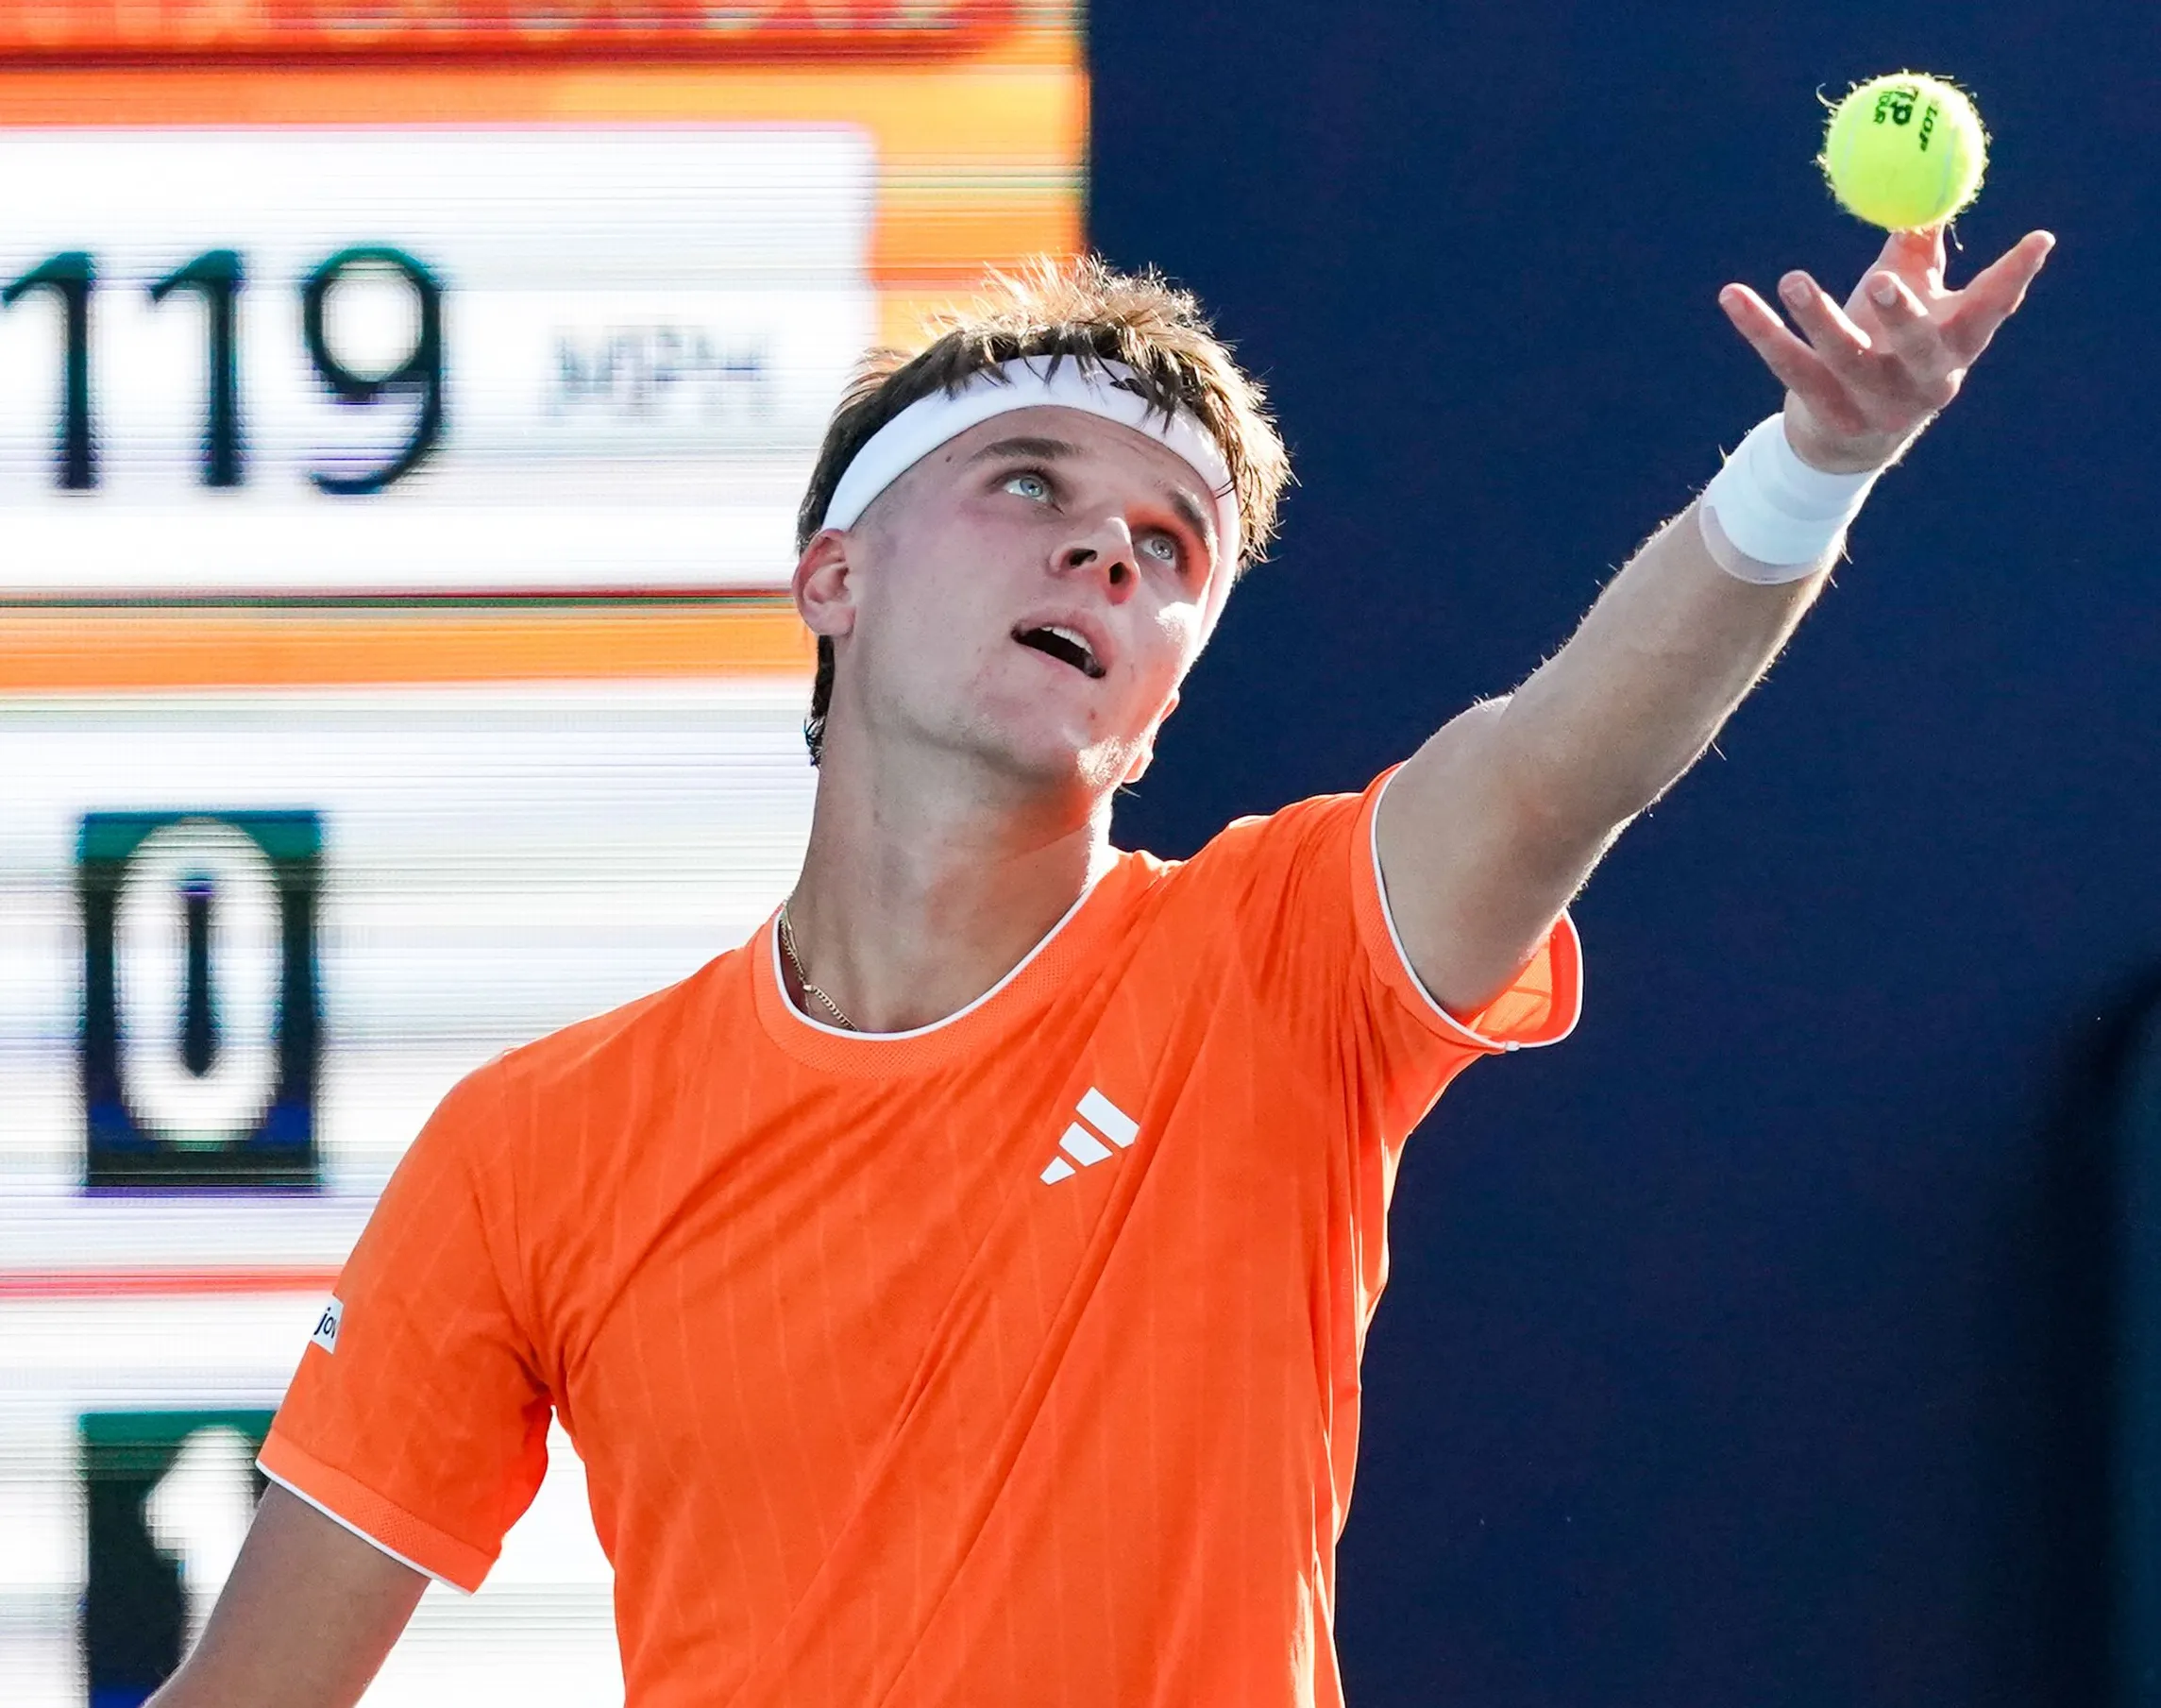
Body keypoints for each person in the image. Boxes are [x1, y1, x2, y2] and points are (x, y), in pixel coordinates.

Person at [149, 226, 2052, 1708]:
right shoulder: (530, 1145)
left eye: (1169, 549)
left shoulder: (1278, 958)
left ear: (1158, 698)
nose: (1108, 562)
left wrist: (1812, 464)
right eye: (1028, 488)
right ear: (833, 574)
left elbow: (1569, 756)